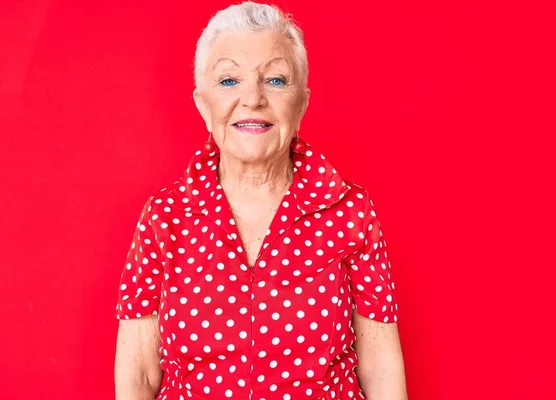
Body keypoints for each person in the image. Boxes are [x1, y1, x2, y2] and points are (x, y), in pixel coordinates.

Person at [114, 2, 407, 399]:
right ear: (203, 103)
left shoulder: (351, 211)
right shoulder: (164, 218)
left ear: (301, 102)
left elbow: (379, 363)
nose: (253, 98)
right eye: (229, 80)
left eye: (275, 79)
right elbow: (140, 373)